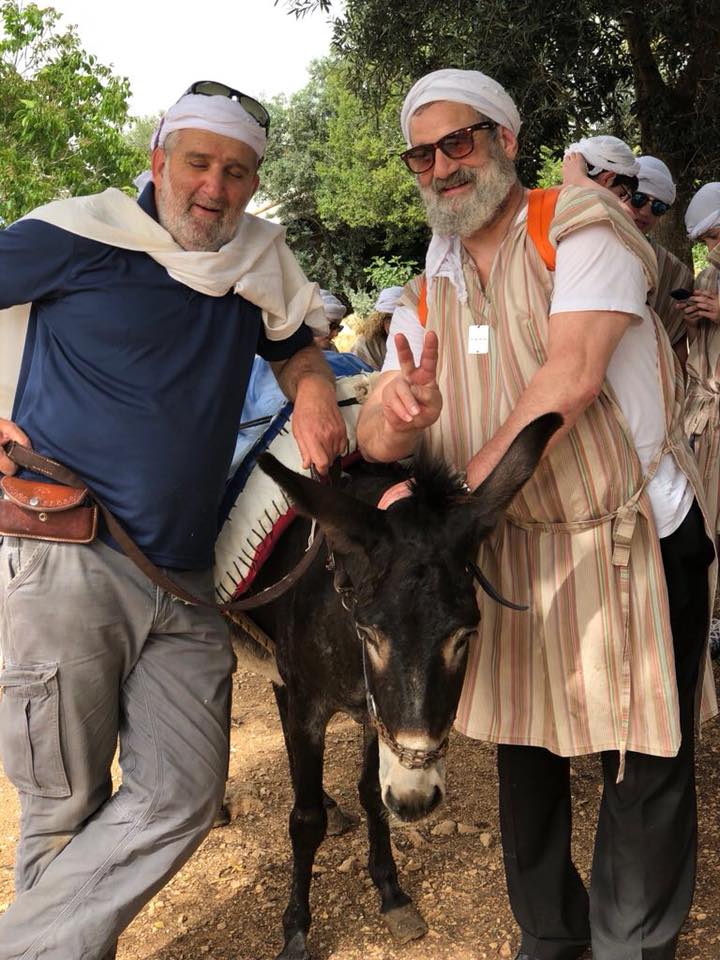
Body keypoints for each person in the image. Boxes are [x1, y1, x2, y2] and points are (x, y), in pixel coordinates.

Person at [356, 68, 716, 960]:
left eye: (457, 142)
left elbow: (571, 375)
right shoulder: (435, 273)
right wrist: (394, 412)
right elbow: (377, 428)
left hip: (630, 538)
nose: (441, 167)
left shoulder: (580, 226)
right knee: (524, 747)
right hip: (510, 547)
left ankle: (631, 944)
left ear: (506, 141)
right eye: (421, 155)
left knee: (643, 758)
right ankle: (551, 935)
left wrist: (457, 506)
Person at [0, 81, 346, 960]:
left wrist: (313, 391)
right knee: (64, 806)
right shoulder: (79, 235)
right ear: (157, 161)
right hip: (65, 556)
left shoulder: (255, 262)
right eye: (197, 163)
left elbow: (296, 344)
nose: (214, 188)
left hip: (185, 579)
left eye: (237, 172)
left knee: (185, 794)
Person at [621, 156, 695, 362]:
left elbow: (678, 349)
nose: (646, 211)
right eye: (639, 199)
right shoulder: (586, 244)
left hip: (649, 371)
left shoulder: (674, 272)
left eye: (658, 207)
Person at [683, 183, 720, 541]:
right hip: (703, 414)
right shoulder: (708, 276)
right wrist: (694, 321)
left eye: (715, 237)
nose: (711, 249)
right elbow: (701, 346)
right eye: (707, 241)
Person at [351, 285, 404, 370]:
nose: (397, 324)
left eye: (403, 319)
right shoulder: (366, 344)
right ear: (381, 319)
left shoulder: (417, 338)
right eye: (391, 318)